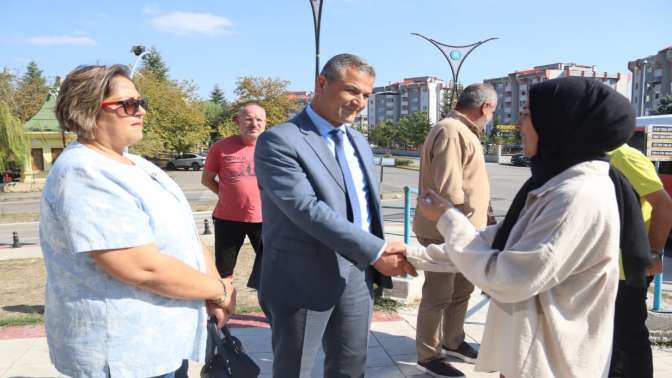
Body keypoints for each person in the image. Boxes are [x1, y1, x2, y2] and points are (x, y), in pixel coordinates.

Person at [407, 77, 648, 378]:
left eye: (527, 114)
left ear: (559, 123)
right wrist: (408, 254)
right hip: (535, 356)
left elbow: (508, 276)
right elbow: (494, 241)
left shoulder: (577, 195)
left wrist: (446, 216)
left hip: (552, 364)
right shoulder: (557, 182)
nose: (519, 124)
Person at [40, 64, 235, 378]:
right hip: (123, 352)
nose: (141, 111)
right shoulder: (83, 171)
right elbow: (140, 267)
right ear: (87, 109)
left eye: (141, 103)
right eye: (128, 104)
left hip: (162, 343)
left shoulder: (137, 164)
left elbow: (186, 234)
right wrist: (217, 291)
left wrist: (215, 295)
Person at [254, 53, 417, 377]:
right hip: (301, 278)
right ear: (322, 83)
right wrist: (377, 251)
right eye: (352, 91)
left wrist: (373, 253)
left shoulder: (358, 141)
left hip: (357, 275)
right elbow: (307, 209)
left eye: (367, 96)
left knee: (350, 367)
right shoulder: (279, 140)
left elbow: (366, 208)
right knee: (294, 370)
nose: (360, 102)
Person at [412, 83, 497, 377]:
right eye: (492, 111)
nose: (491, 117)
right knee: (438, 294)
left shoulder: (464, 131)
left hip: (465, 231)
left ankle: (453, 340)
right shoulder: (451, 130)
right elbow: (449, 188)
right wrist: (456, 225)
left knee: (462, 290)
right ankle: (428, 354)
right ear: (485, 107)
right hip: (445, 229)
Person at [608, 143, 672, 378]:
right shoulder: (592, 154)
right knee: (609, 346)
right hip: (605, 269)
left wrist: (654, 252)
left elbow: (664, 206)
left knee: (629, 343)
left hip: (626, 271)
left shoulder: (624, 156)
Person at [201, 102, 267, 288]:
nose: (254, 123)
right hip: (228, 219)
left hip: (265, 220)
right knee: (223, 271)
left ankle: (273, 314)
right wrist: (227, 196)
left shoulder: (273, 147)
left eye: (259, 119)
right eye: (248, 119)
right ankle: (219, 312)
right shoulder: (220, 147)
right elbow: (207, 179)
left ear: (265, 123)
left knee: (271, 269)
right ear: (238, 121)